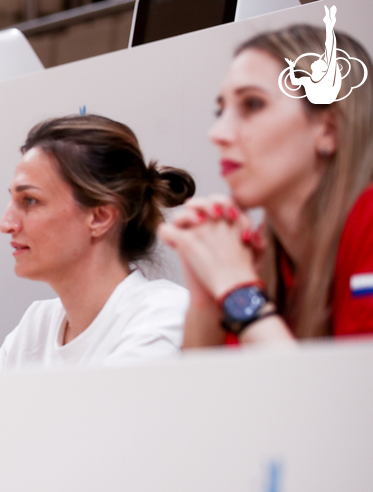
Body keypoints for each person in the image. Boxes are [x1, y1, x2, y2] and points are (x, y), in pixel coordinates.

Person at [158, 24, 373, 346]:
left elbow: (343, 396)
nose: (217, 133)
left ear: (328, 129)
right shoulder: (265, 253)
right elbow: (206, 393)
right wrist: (207, 297)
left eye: (253, 104)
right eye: (221, 110)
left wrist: (238, 289)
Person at [0, 115, 195, 371]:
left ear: (100, 217)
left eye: (29, 200)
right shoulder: (36, 325)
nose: (6, 224)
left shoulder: (162, 315)